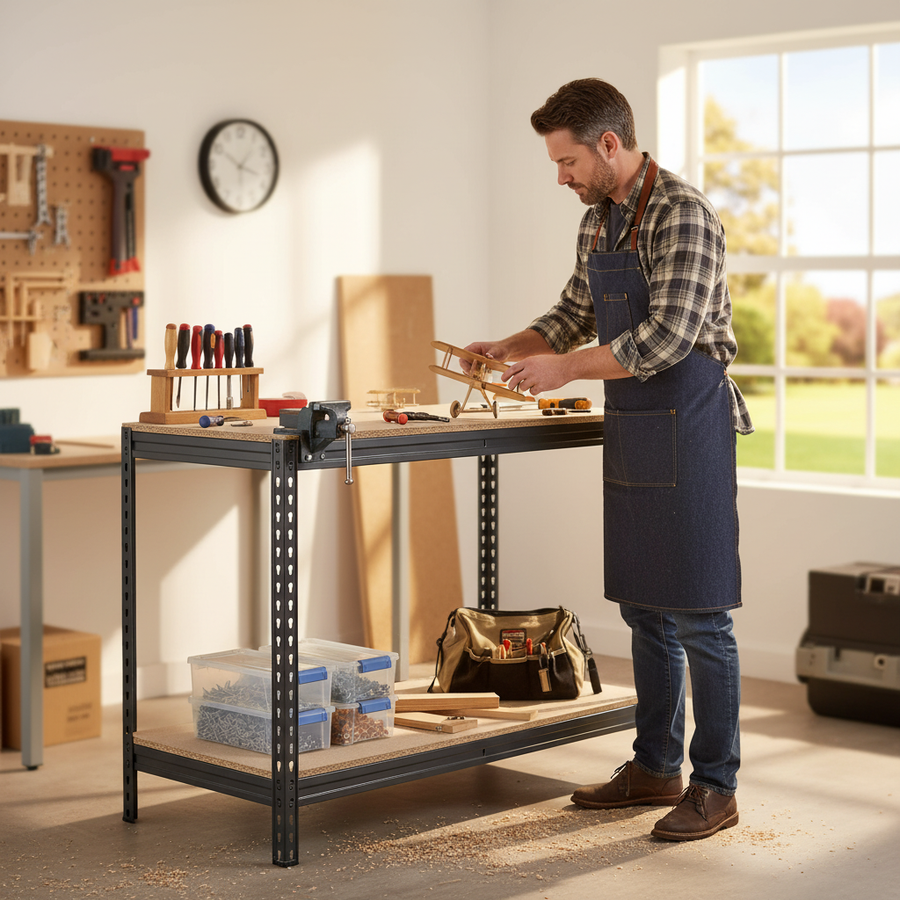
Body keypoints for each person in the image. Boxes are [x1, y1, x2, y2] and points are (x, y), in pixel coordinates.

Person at [463, 78, 753, 842]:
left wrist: (565, 371)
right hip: (634, 422)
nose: (560, 177)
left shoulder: (683, 214)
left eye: (566, 162)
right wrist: (513, 345)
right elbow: (570, 313)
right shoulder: (599, 221)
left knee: (699, 613)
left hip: (689, 423)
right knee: (643, 607)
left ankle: (716, 786)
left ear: (609, 146)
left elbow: (669, 337)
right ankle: (655, 767)